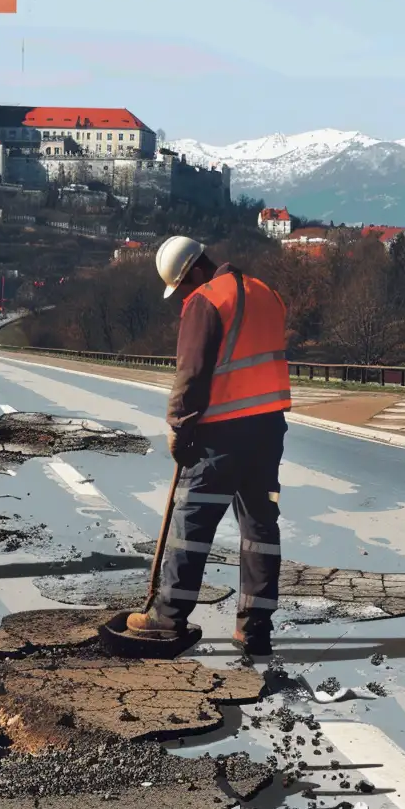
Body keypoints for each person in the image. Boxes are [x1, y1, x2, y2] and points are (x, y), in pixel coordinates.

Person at [124, 238, 290, 657]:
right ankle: (254, 629)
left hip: (223, 434)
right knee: (260, 528)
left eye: (181, 287)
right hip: (269, 429)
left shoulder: (206, 300)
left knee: (192, 522)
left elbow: (192, 371)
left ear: (195, 272)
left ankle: (167, 617)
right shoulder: (265, 292)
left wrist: (179, 425)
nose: (182, 295)